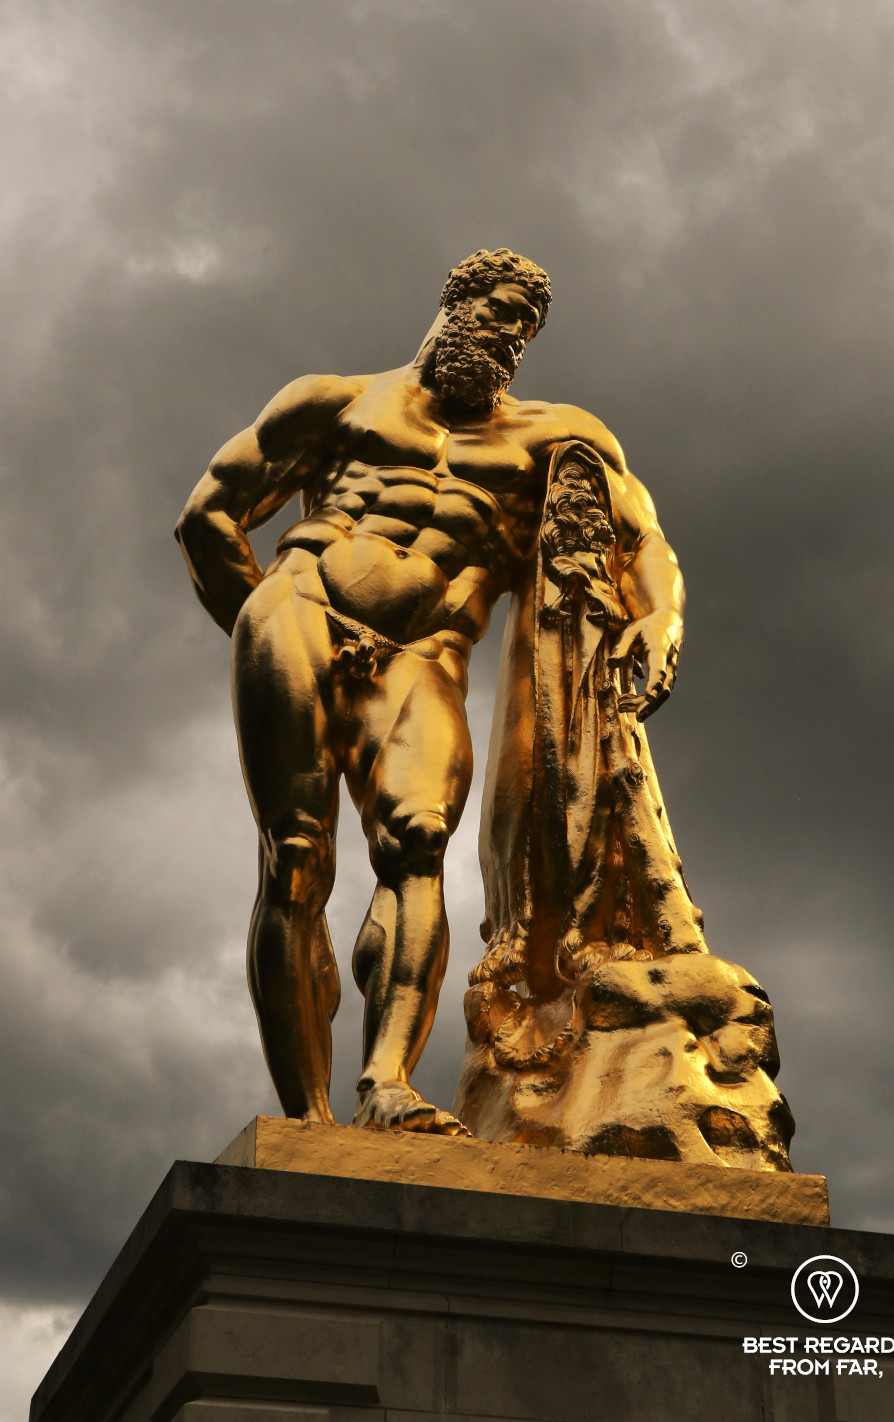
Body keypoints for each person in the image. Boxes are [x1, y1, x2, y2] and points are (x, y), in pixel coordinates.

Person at [176, 248, 687, 1134]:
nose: (509, 334)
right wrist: (263, 635)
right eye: (495, 312)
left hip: (426, 656)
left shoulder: (553, 436)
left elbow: (641, 541)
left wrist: (659, 618)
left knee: (418, 844)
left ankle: (387, 1085)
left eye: (525, 326)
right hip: (301, 610)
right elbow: (209, 514)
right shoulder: (335, 401)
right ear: (452, 304)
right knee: (297, 858)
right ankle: (307, 1114)